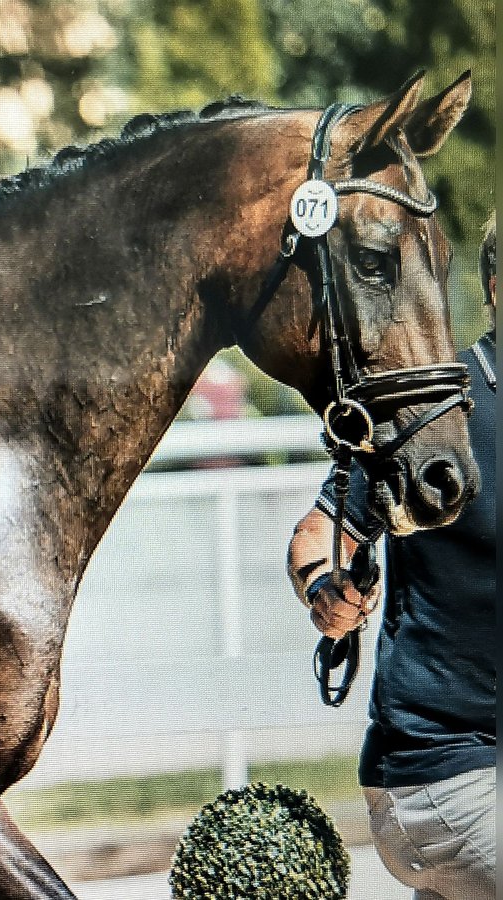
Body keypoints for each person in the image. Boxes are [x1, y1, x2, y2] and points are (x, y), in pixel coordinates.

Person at [287, 213, 496, 900]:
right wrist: (326, 589)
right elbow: (318, 536)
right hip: (446, 775)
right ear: (494, 285)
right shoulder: (436, 407)